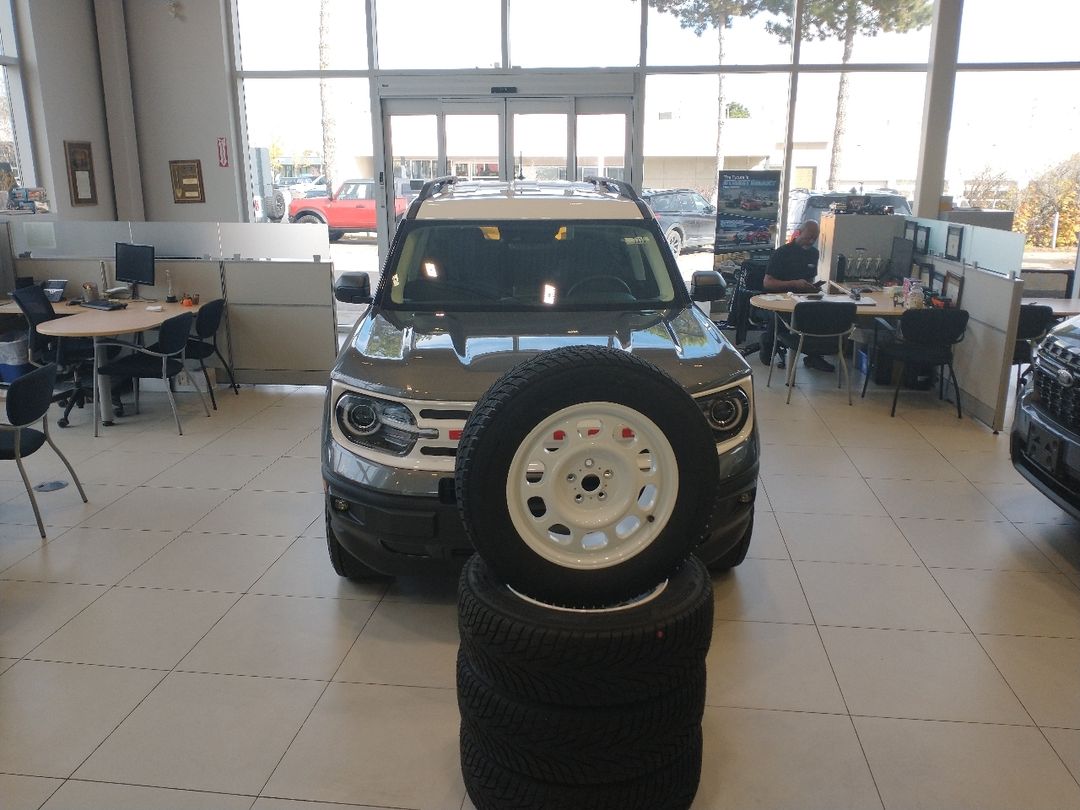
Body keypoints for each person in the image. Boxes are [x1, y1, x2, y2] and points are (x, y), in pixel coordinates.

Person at [758, 220, 835, 372]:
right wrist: (794, 283)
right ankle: (767, 341)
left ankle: (814, 356)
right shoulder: (782, 253)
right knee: (784, 318)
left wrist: (812, 287)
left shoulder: (814, 253)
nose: (812, 241)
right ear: (799, 233)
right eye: (809, 237)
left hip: (803, 297)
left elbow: (810, 278)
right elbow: (767, 283)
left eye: (815, 238)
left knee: (824, 313)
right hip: (779, 297)